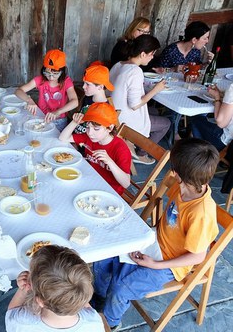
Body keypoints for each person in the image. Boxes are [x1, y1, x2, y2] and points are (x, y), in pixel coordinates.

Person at [92, 138, 219, 330]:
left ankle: (109, 324)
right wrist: (140, 240)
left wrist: (156, 264)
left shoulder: (201, 212)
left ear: (177, 173)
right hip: (154, 241)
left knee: (122, 287)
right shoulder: (184, 185)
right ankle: (99, 300)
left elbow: (198, 255)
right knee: (103, 256)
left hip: (171, 264)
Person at [5, 245, 105, 331]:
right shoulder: (93, 321)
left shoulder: (22, 322)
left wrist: (23, 290)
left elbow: (12, 310)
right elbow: (86, 306)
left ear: (41, 302)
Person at [110, 35, 171, 165]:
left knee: (154, 111)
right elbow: (135, 105)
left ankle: (138, 147)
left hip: (114, 112)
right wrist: (156, 90)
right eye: (152, 54)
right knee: (166, 123)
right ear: (143, 54)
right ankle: (141, 153)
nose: (152, 57)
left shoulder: (119, 64)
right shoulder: (135, 71)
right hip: (124, 122)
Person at [59, 102, 131, 195]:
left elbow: (126, 183)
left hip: (109, 190)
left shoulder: (120, 149)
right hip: (91, 179)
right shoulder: (90, 137)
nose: (90, 133)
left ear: (110, 128)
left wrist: (109, 161)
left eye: (96, 129)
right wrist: (74, 122)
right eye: (88, 127)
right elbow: (63, 138)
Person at [15, 49, 78, 131]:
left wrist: (58, 112)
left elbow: (75, 101)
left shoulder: (66, 82)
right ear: (43, 69)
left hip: (59, 121)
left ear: (62, 71)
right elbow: (18, 91)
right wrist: (29, 100)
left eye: (55, 74)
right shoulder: (40, 80)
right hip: (41, 117)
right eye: (47, 73)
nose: (51, 77)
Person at [73, 63, 114, 135]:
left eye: (88, 84)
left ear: (100, 87)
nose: (83, 87)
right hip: (74, 133)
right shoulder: (87, 97)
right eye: (84, 83)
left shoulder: (104, 109)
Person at [191, 83, 233, 151]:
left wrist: (217, 97)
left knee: (196, 119)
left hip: (226, 143)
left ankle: (203, 153)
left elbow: (221, 123)